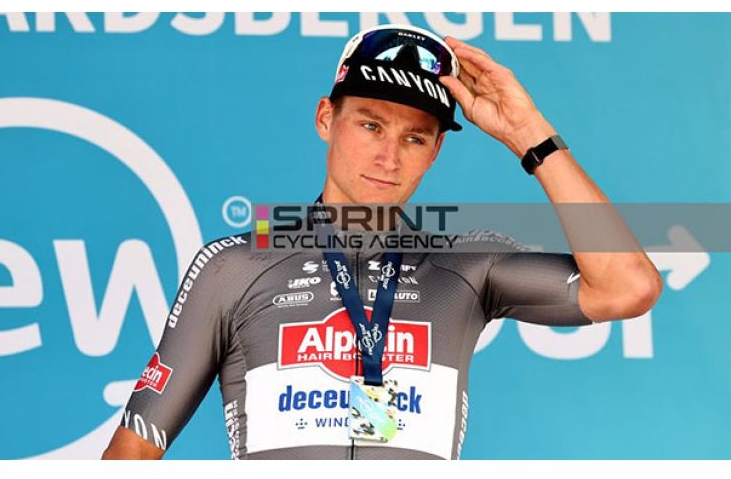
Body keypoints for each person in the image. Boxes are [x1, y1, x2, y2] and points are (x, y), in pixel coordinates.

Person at [102, 24, 662, 460]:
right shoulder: (234, 265)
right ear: (326, 118)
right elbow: (132, 452)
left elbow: (628, 287)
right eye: (370, 125)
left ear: (435, 151)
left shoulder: (469, 264)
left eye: (414, 138)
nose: (388, 157)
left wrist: (528, 134)